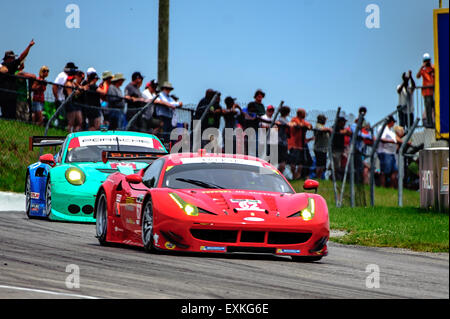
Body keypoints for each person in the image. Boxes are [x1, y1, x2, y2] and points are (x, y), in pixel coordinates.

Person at [0, 39, 35, 119]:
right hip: (7, 94)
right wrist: (29, 46)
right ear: (8, 58)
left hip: (9, 95)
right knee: (8, 115)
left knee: (9, 115)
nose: (13, 60)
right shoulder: (7, 65)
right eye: (12, 58)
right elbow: (22, 56)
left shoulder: (7, 67)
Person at [288, 108, 312, 180]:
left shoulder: (303, 121)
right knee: (293, 161)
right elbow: (298, 124)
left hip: (301, 145)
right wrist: (303, 126)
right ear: (301, 114)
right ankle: (294, 175)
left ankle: (298, 175)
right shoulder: (294, 119)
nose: (305, 115)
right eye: (304, 113)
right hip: (293, 144)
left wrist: (306, 126)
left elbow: (309, 126)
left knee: (301, 161)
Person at [377, 115, 398, 188]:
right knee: (384, 171)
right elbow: (381, 139)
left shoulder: (390, 131)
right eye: (393, 122)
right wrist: (392, 141)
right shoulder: (382, 128)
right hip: (384, 152)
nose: (394, 124)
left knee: (394, 171)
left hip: (391, 153)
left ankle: (391, 187)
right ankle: (383, 186)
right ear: (391, 122)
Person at [416, 53, 435, 128]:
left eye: (428, 60)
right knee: (428, 108)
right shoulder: (423, 70)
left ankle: (435, 122)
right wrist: (422, 66)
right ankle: (430, 123)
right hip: (426, 92)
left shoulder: (433, 67)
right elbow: (417, 76)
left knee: (435, 107)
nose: (427, 62)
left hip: (433, 91)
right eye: (426, 61)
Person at [331, 116, 351, 180]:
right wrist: (345, 131)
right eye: (343, 122)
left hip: (341, 149)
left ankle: (336, 178)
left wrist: (346, 131)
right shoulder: (335, 127)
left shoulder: (342, 128)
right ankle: (334, 178)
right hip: (335, 149)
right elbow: (341, 132)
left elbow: (349, 133)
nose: (344, 123)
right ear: (340, 122)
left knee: (340, 165)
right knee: (336, 165)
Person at [313, 114, 332, 179]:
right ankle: (318, 177)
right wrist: (329, 129)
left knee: (323, 165)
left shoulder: (323, 126)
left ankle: (320, 177)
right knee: (319, 165)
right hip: (319, 148)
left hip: (324, 149)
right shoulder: (318, 126)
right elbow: (321, 129)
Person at [275, 106, 291, 174]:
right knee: (282, 161)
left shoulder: (281, 120)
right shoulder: (282, 120)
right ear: (287, 113)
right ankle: (278, 174)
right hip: (281, 142)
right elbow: (288, 125)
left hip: (281, 142)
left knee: (281, 161)